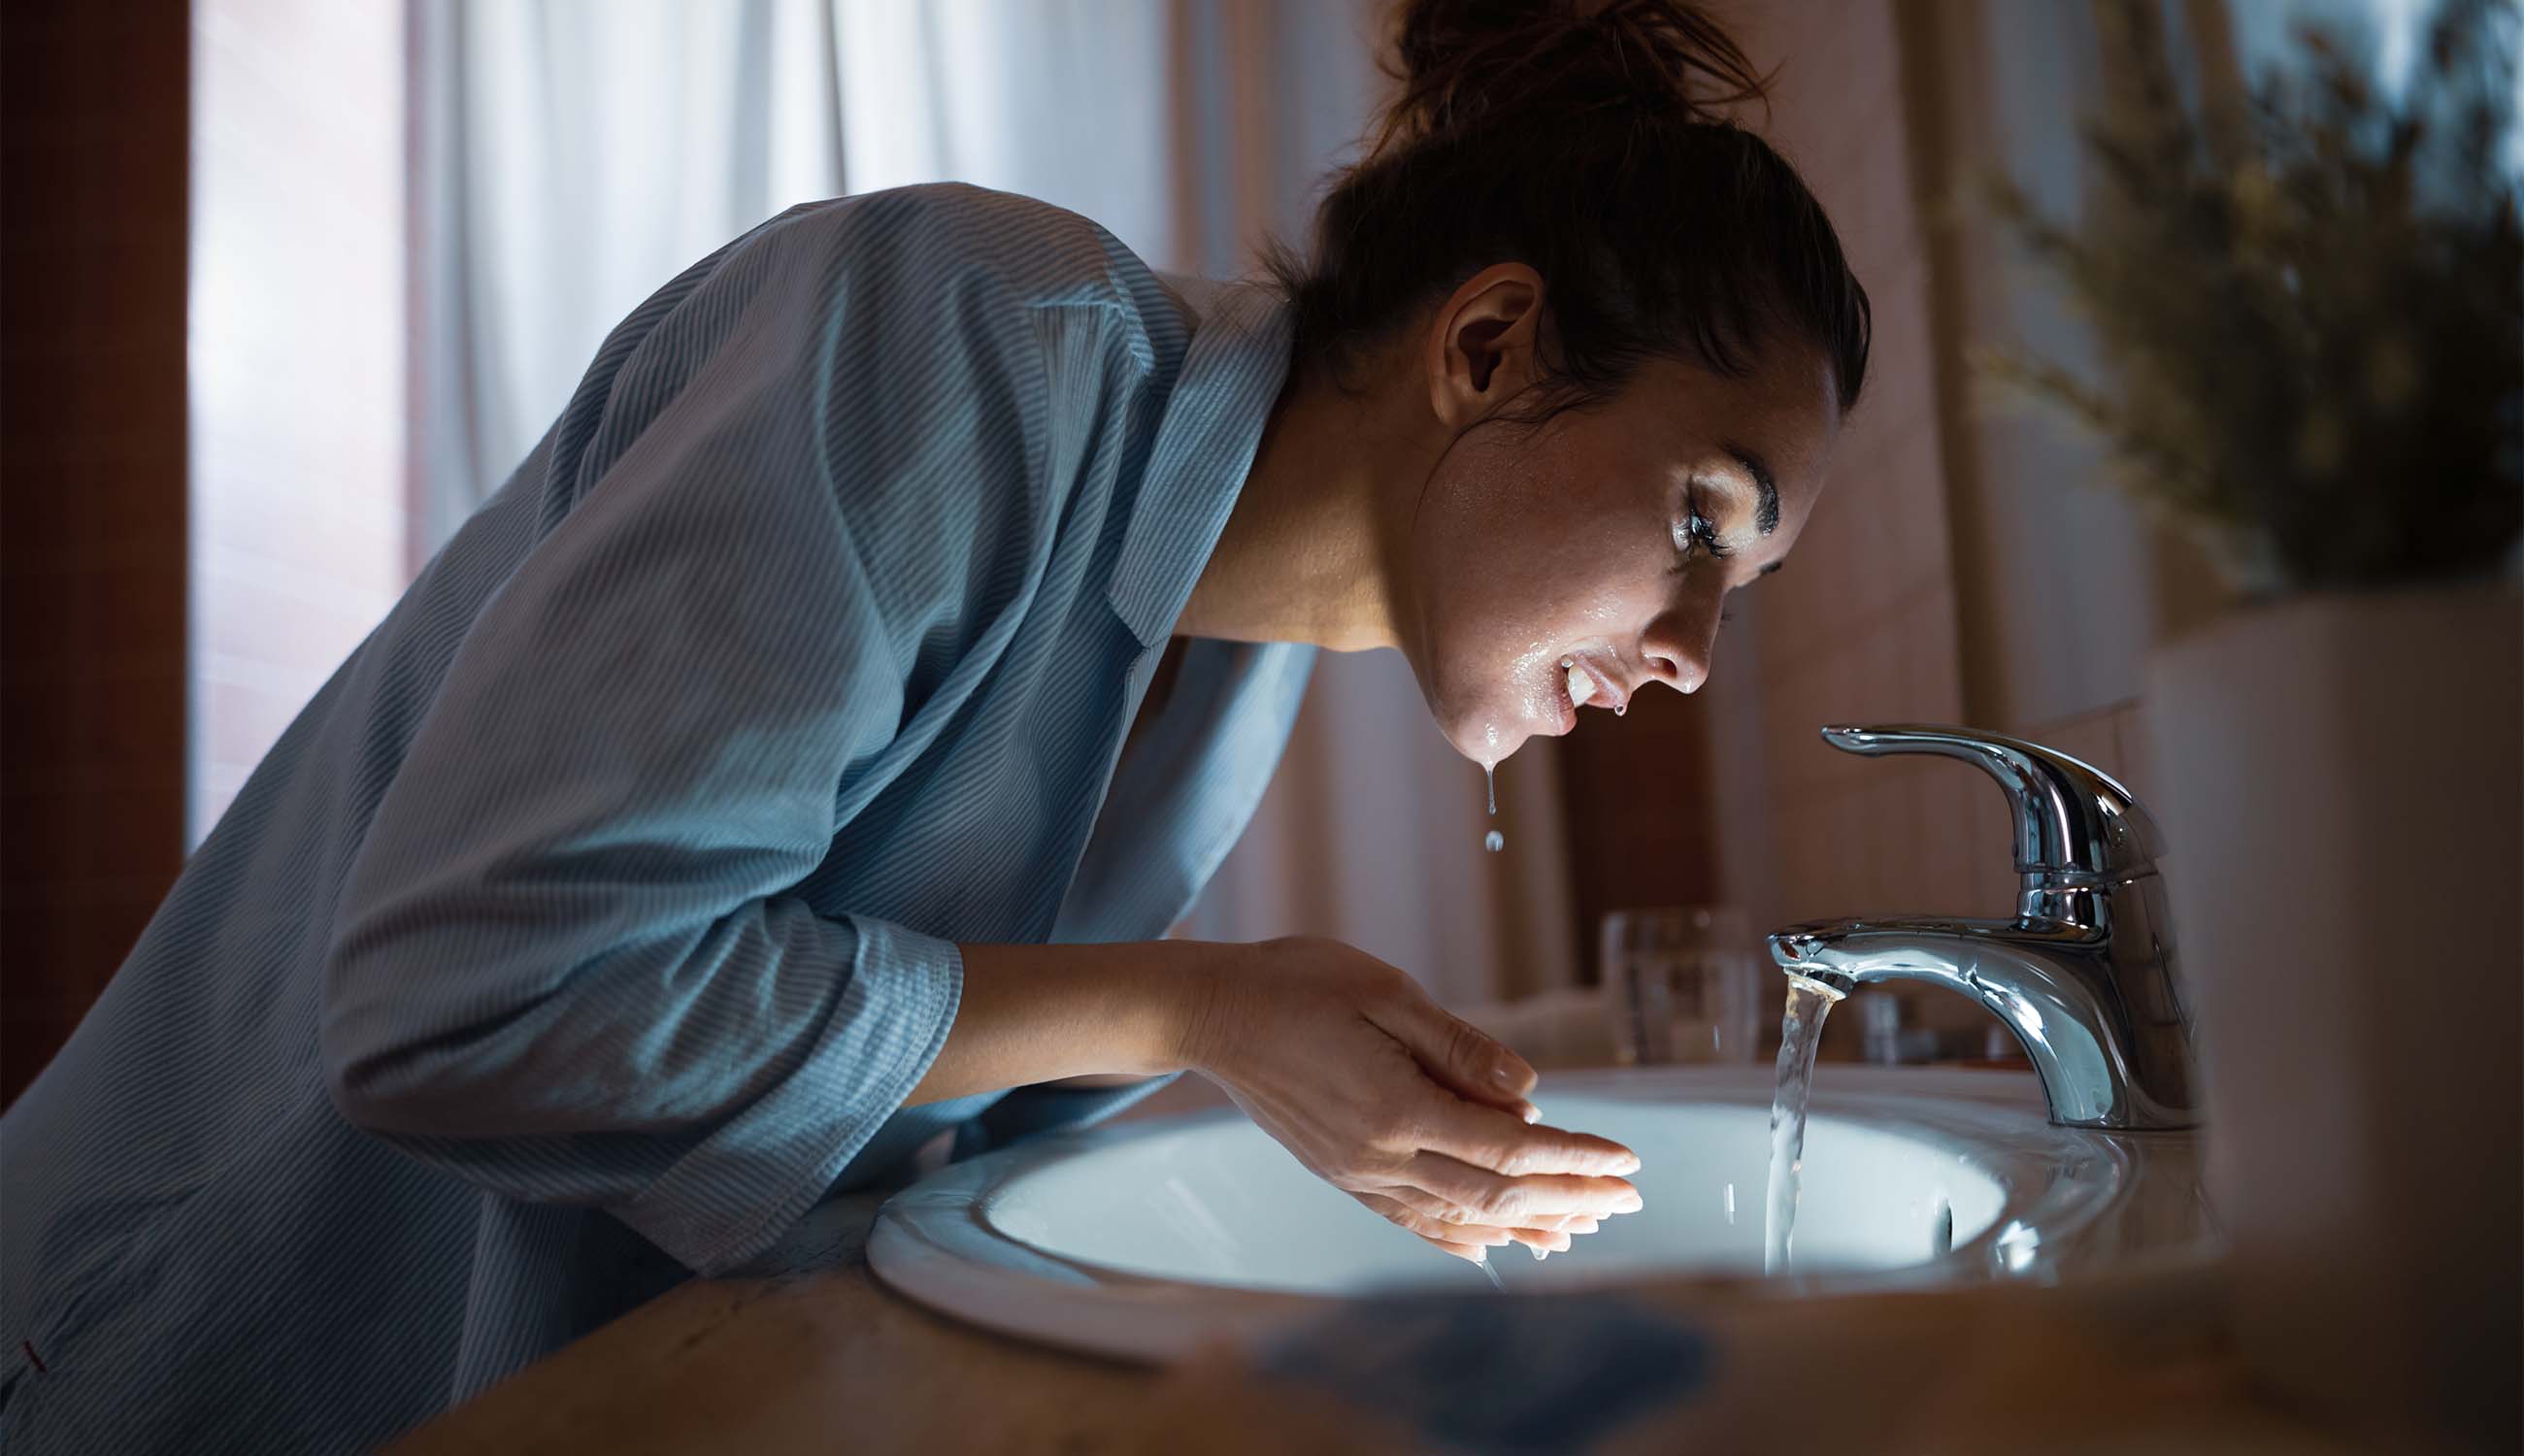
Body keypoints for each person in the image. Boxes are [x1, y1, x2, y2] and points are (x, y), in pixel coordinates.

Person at [0, 0, 1867, 1448]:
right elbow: (472, 1001)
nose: (1696, 650)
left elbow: (899, 1113)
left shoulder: (1227, 657)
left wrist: (1293, 1075)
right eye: (1704, 517)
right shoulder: (968, 335)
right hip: (173, 1359)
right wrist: (1198, 1007)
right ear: (1486, 347)